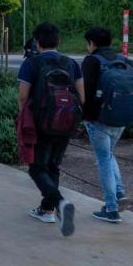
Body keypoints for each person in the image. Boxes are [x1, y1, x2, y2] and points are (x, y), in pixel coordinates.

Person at [17, 23, 84, 237]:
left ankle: (59, 203)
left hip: (41, 123)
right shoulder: (71, 63)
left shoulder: (31, 63)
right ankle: (47, 210)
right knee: (53, 166)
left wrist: (24, 117)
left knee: (36, 168)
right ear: (58, 41)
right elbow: (82, 97)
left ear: (37, 42)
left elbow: (23, 97)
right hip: (66, 121)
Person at [82, 27, 133, 224]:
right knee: (108, 155)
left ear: (92, 43)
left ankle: (111, 209)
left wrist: (85, 116)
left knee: (103, 160)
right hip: (122, 119)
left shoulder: (92, 61)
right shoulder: (125, 61)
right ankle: (119, 193)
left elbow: (84, 93)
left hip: (98, 120)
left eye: (87, 44)